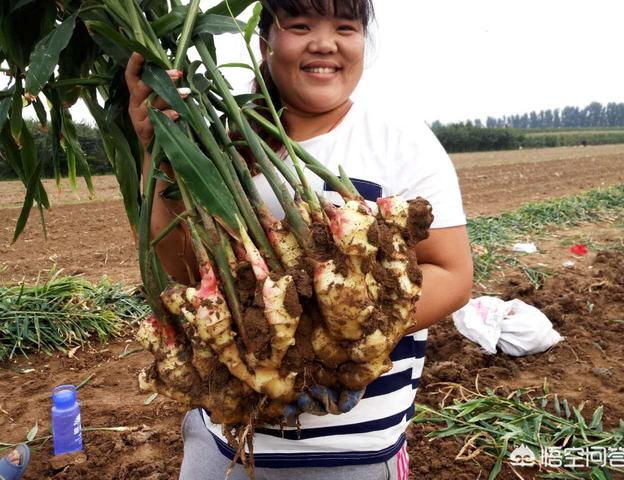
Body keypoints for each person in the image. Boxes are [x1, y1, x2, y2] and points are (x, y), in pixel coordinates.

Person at [125, 0, 473, 478]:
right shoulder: (218, 143)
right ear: (265, 44)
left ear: (363, 45)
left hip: (356, 452)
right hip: (226, 442)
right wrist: (159, 149)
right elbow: (186, 272)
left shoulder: (400, 141)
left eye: (345, 28)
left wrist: (345, 336)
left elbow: (452, 275)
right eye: (301, 25)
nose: (325, 43)